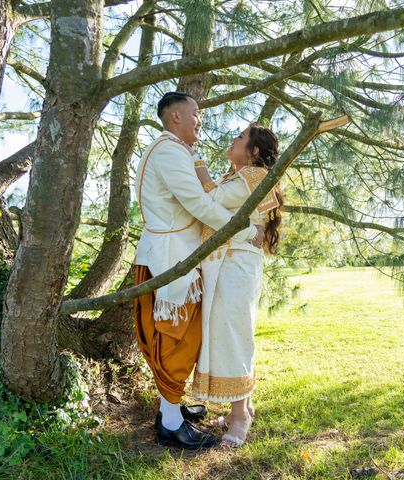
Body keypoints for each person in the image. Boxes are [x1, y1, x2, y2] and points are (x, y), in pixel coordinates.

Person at [132, 92, 264, 450]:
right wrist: (248, 230)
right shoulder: (170, 151)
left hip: (178, 258)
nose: (200, 120)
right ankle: (171, 425)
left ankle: (170, 409)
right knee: (174, 337)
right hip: (170, 258)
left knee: (177, 336)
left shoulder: (176, 150)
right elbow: (200, 204)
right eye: (195, 114)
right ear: (176, 117)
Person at [191, 124, 283, 448]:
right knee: (225, 331)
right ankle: (239, 410)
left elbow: (211, 198)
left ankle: (241, 414)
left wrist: (197, 163)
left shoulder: (255, 175)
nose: (234, 139)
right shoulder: (239, 178)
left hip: (237, 264)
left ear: (255, 152)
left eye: (241, 137)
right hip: (225, 262)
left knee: (234, 333)